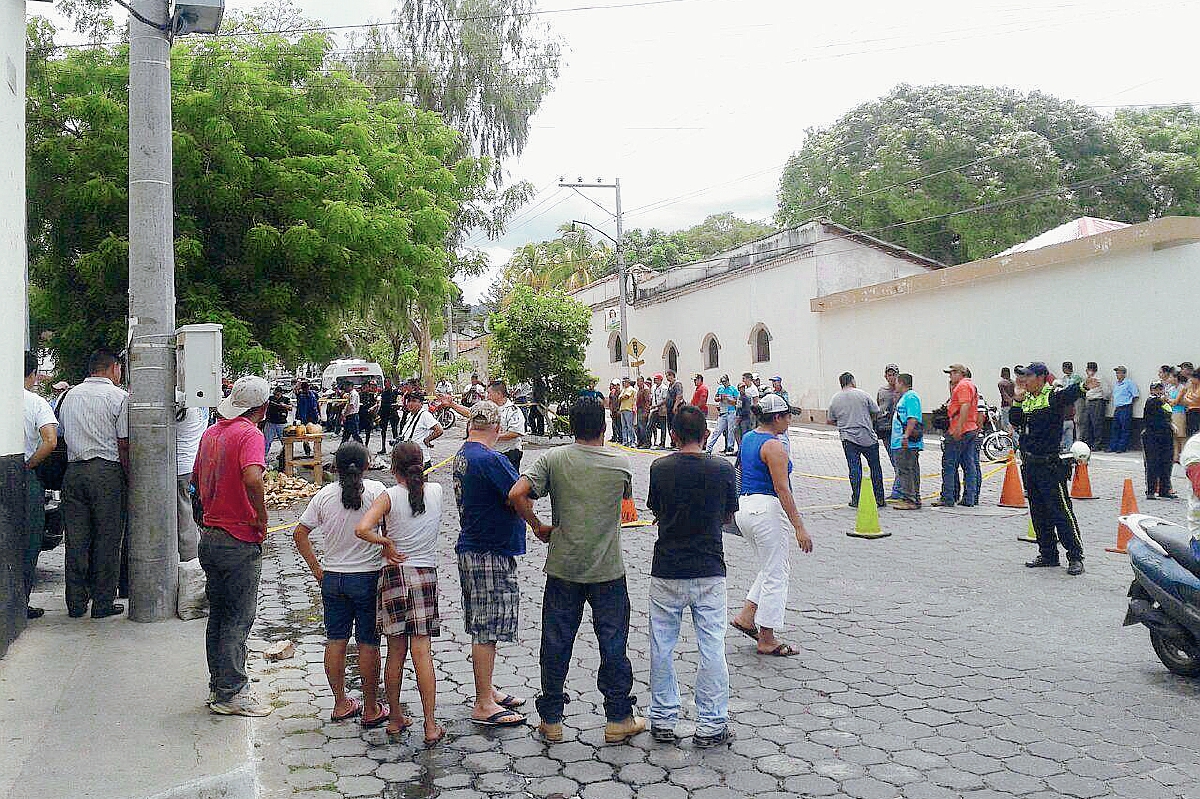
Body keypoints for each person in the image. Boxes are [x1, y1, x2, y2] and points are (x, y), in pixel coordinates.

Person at [509, 397, 644, 744]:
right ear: (603, 426)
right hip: (608, 570)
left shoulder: (554, 458)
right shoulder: (620, 462)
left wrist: (537, 525)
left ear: (571, 426)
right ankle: (618, 717)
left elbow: (517, 492)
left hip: (563, 567)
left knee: (555, 642)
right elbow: (626, 504)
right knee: (613, 644)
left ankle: (551, 719)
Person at [645, 405, 737, 747]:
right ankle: (712, 724)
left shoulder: (659, 468)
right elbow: (728, 516)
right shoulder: (723, 469)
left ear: (673, 434)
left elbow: (656, 509)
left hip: (667, 568)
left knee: (662, 645)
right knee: (712, 646)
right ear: (705, 434)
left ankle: (663, 718)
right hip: (710, 568)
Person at [293, 442, 390, 730]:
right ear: (367, 465)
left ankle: (340, 703)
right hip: (368, 578)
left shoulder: (323, 496)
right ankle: (371, 707)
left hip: (333, 578)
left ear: (334, 467)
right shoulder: (377, 493)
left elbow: (300, 533)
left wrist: (316, 569)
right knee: (368, 644)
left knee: (335, 640)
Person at [194, 375, 273, 716]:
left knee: (219, 615)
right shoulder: (250, 435)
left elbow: (195, 481)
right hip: (238, 539)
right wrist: (260, 515)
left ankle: (220, 685)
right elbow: (253, 476)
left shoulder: (211, 433)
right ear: (263, 408)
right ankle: (232, 692)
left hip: (211, 537)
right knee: (238, 619)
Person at [449, 402, 528, 728]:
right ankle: (483, 702)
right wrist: (536, 523)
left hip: (475, 545)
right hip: (489, 551)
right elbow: (520, 494)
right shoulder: (491, 459)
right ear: (497, 429)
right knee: (487, 628)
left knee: (483, 624)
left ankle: (488, 689)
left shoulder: (463, 454)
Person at [729, 394, 813, 656]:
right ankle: (767, 636)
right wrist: (799, 526)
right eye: (787, 415)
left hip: (746, 506)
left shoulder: (749, 438)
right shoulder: (774, 446)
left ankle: (747, 615)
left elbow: (740, 472)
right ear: (777, 417)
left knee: (769, 565)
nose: (789, 420)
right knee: (777, 572)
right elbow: (782, 488)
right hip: (766, 509)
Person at [58, 349, 129, 620]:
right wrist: (129, 476)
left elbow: (61, 433)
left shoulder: (68, 396)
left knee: (76, 540)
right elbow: (123, 443)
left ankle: (75, 603)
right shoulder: (118, 398)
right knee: (108, 540)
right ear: (113, 369)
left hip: (73, 473)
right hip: (107, 472)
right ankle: (102, 603)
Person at [1010, 362, 1084, 576]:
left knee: (1061, 512)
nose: (1024, 380)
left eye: (1029, 376)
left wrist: (1083, 387)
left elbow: (1069, 394)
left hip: (1049, 465)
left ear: (1042, 377)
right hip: (1030, 463)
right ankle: (1048, 554)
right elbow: (1015, 420)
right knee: (1038, 512)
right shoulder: (1028, 399)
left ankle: (1075, 556)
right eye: (1023, 376)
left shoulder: (1052, 395)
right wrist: (1017, 398)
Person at [23, 351, 57, 619]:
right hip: (24, 478)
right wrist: (30, 465)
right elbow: (50, 440)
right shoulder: (36, 403)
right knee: (28, 542)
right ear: (33, 374)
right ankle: (20, 602)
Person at [827, 372, 886, 508]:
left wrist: (843, 423)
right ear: (852, 381)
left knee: (854, 468)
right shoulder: (863, 394)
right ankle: (879, 498)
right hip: (867, 437)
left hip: (848, 438)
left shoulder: (835, 399)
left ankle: (857, 498)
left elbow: (830, 420)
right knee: (875, 467)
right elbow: (876, 411)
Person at [935, 364, 981, 508]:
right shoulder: (970, 386)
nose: (950, 376)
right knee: (969, 464)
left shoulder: (962, 386)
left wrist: (958, 427)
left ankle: (948, 497)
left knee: (949, 464)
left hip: (960, 429)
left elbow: (965, 405)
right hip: (971, 428)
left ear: (961, 373)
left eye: (953, 373)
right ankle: (969, 498)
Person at [176, 405, 208, 562]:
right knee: (188, 514)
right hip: (192, 464)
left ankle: (189, 561)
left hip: (179, 467)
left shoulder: (183, 403)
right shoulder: (201, 404)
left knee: (184, 518)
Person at [891, 373, 923, 510]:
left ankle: (910, 499)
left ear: (902, 383)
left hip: (907, 442)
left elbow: (912, 418)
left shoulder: (911, 397)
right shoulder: (905, 397)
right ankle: (912, 496)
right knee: (908, 469)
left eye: (897, 382)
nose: (895, 385)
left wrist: (906, 436)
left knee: (906, 470)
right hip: (902, 441)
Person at [1142, 382, 1177, 500]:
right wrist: (1162, 400)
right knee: (1153, 463)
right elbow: (1153, 405)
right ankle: (1151, 491)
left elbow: (1167, 416)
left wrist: (1171, 424)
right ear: (1151, 390)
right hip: (1152, 436)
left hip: (1166, 435)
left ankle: (1164, 489)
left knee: (1166, 463)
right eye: (1156, 389)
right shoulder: (1151, 401)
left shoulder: (1165, 403)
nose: (1158, 391)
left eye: (1160, 389)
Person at [875, 364, 902, 501]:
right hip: (885, 429)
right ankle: (899, 490)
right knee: (894, 460)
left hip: (898, 429)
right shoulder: (882, 391)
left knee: (899, 461)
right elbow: (878, 408)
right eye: (889, 374)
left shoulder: (901, 390)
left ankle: (898, 491)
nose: (891, 377)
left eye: (894, 374)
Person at [397, 392, 443, 469]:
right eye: (409, 401)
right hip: (409, 456)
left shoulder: (425, 415)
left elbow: (439, 430)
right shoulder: (411, 415)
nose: (410, 404)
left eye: (414, 401)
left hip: (420, 458)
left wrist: (427, 440)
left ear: (421, 403)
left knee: (420, 480)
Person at [706, 375, 739, 455]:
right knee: (717, 430)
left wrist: (728, 399)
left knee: (730, 431)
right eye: (722, 382)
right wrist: (720, 398)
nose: (724, 384)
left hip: (731, 411)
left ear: (728, 381)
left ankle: (730, 447)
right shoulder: (720, 388)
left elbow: (737, 401)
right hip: (722, 411)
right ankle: (709, 448)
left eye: (725, 382)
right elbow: (716, 398)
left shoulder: (733, 389)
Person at [1109, 366, 1139, 452]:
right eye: (1117, 373)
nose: (1117, 375)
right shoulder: (1117, 384)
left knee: (1125, 428)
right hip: (1118, 408)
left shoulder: (1129, 383)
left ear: (1124, 374)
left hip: (1125, 407)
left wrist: (1128, 402)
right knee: (1115, 428)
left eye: (1119, 373)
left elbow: (1135, 395)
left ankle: (1121, 447)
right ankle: (1113, 446)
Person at [1055, 362, 1083, 450]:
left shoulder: (1076, 377)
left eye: (1064, 368)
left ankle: (1079, 439)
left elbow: (1076, 389)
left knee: (1077, 419)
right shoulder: (1064, 378)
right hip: (1067, 400)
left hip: (1076, 399)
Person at [1080, 362, 1108, 449]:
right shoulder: (1087, 379)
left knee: (1096, 423)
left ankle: (1097, 443)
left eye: (1089, 369)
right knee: (1086, 423)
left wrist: (1104, 399)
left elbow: (1106, 390)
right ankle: (1087, 443)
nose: (1088, 371)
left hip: (1097, 401)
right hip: (1088, 401)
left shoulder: (1099, 378)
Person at [263, 386, 291, 461]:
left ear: (281, 394)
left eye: (278, 394)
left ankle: (285, 457)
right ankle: (263, 458)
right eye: (275, 394)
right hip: (270, 423)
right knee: (267, 441)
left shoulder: (286, 399)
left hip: (282, 423)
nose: (276, 396)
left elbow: (290, 407)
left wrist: (283, 405)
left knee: (285, 442)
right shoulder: (270, 398)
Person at [733, 372, 759, 449]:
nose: (743, 380)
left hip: (749, 414)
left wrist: (753, 415)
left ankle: (749, 449)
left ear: (748, 379)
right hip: (741, 414)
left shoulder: (753, 389)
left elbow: (755, 402)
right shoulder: (746, 389)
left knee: (747, 433)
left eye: (744, 378)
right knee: (738, 431)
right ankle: (740, 449)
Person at [377, 379, 400, 455]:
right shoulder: (383, 392)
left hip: (392, 413)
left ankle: (395, 448)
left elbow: (399, 400)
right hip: (384, 413)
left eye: (387, 382)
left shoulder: (394, 391)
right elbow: (382, 403)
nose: (386, 384)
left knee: (394, 431)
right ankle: (383, 448)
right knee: (383, 431)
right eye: (385, 382)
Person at [664, 370, 684, 448]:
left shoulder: (677, 384)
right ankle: (673, 442)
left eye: (667, 376)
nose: (667, 378)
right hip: (669, 408)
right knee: (670, 425)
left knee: (676, 425)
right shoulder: (670, 385)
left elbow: (679, 396)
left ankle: (678, 443)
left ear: (672, 375)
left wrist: (675, 406)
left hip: (676, 408)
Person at [650, 374, 669, 448]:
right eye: (655, 379)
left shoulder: (664, 388)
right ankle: (648, 442)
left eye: (657, 379)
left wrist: (657, 405)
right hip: (654, 409)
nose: (655, 381)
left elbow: (665, 400)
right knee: (650, 425)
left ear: (661, 380)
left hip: (662, 409)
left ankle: (662, 443)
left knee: (662, 426)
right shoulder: (653, 387)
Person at [618, 377, 637, 448]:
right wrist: (622, 397)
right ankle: (625, 441)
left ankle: (633, 441)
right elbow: (619, 398)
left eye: (625, 382)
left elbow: (626, 396)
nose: (623, 383)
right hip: (622, 408)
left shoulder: (631, 389)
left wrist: (622, 397)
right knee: (624, 426)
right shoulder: (623, 390)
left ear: (628, 382)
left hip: (629, 409)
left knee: (630, 426)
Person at [635, 376, 652, 449]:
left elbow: (647, 401)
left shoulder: (645, 390)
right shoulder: (639, 390)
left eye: (639, 381)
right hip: (639, 409)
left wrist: (646, 411)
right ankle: (640, 441)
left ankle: (646, 442)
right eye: (637, 381)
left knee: (643, 427)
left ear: (642, 381)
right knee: (639, 427)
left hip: (643, 409)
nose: (638, 383)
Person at [997, 367, 1016, 433]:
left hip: (1005, 406)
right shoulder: (1013, 382)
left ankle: (1012, 441)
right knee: (1013, 424)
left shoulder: (1001, 383)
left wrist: (1010, 402)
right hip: (1014, 404)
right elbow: (1015, 394)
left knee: (1006, 425)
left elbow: (1004, 396)